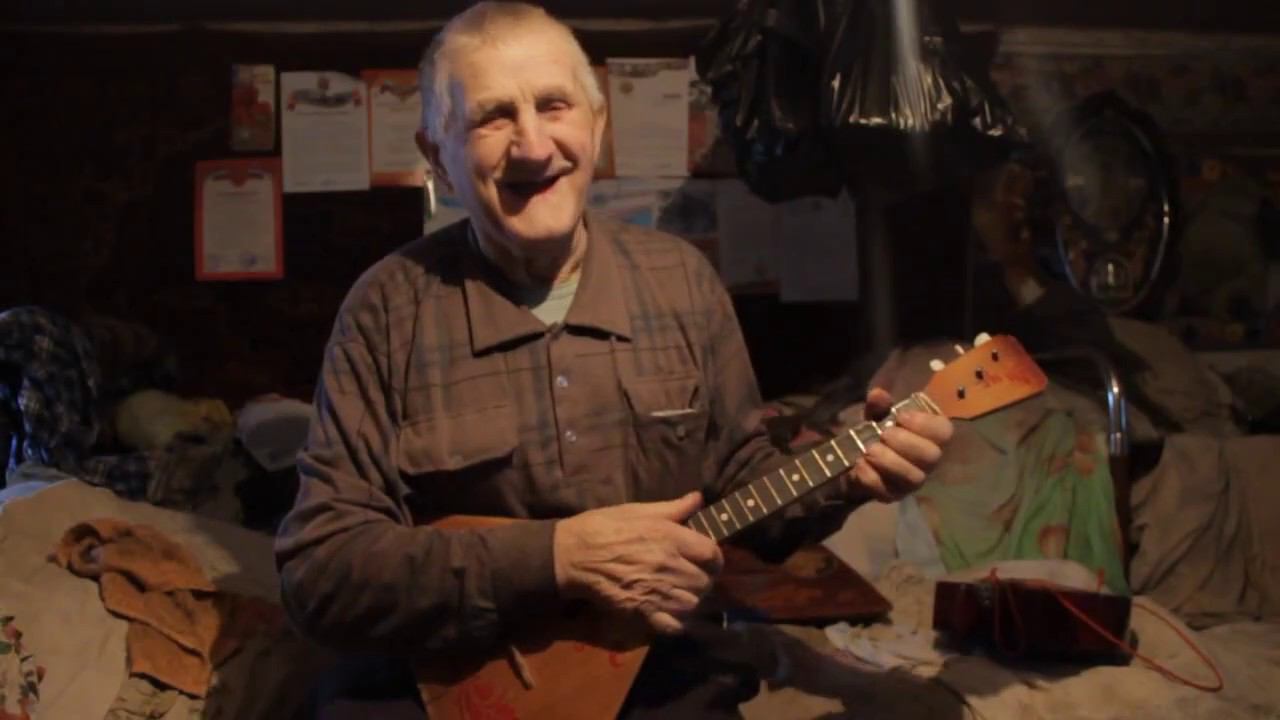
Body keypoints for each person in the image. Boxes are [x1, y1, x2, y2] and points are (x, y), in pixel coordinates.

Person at [274, 3, 953, 718]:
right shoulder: (388, 308)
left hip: (658, 675)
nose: (533, 146)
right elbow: (321, 572)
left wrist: (850, 474)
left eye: (554, 106)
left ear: (597, 125)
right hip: (448, 685)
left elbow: (744, 485)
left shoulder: (680, 281)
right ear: (438, 154)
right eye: (492, 117)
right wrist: (557, 558)